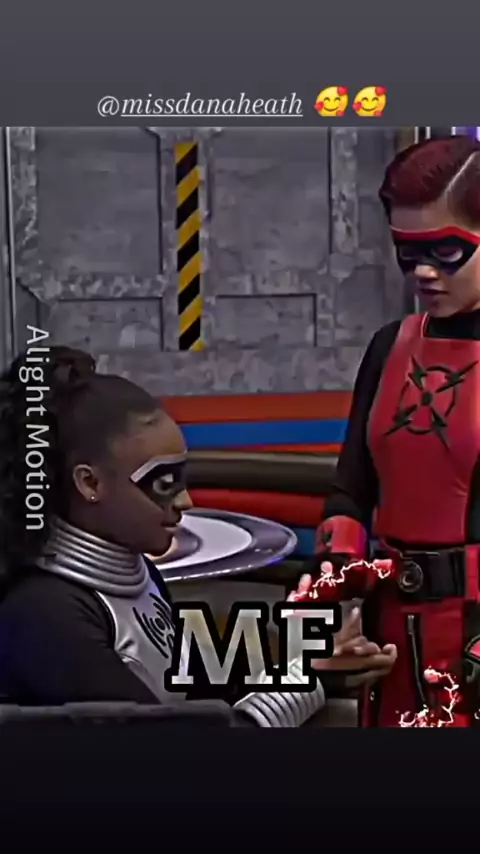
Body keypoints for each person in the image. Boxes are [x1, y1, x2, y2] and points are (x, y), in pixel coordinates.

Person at [0, 343, 395, 727]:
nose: (184, 501)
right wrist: (308, 680)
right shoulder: (43, 615)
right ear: (90, 483)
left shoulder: (136, 575)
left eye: (180, 479)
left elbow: (207, 696)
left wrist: (319, 665)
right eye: (162, 483)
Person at [313, 134, 480, 727]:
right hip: (391, 631)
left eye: (447, 250)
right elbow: (351, 490)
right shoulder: (391, 345)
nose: (423, 272)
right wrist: (335, 603)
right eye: (408, 253)